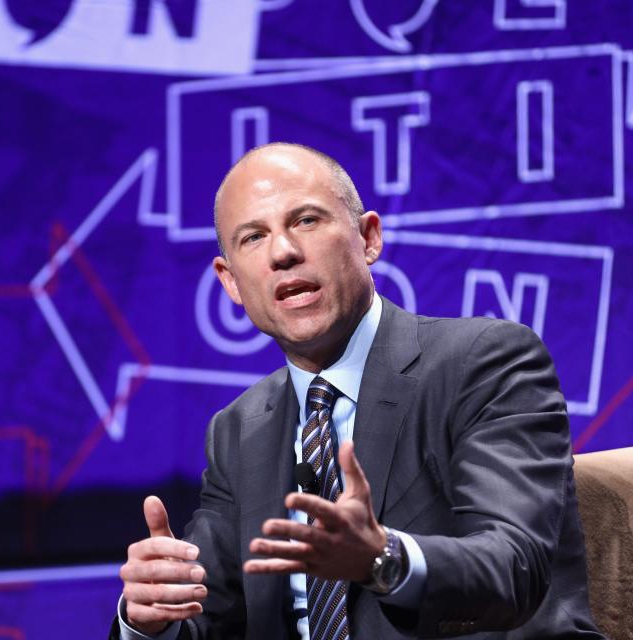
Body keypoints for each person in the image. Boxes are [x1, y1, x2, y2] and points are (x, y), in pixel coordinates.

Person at [110, 143, 605, 639]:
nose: (283, 252)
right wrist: (150, 616)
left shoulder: (484, 362)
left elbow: (513, 568)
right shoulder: (239, 430)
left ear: (368, 237)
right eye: (254, 237)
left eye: (305, 220)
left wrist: (382, 558)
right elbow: (209, 616)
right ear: (232, 283)